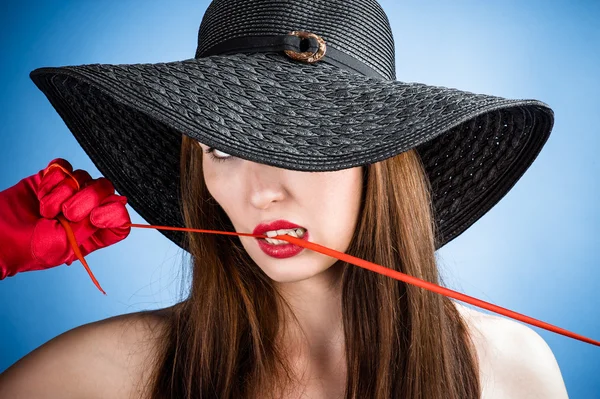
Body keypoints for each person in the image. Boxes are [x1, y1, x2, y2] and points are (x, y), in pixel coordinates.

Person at [0, 0, 570, 398]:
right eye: (221, 149)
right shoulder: (108, 374)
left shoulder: (509, 373)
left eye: (304, 143)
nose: (261, 191)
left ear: (380, 162)